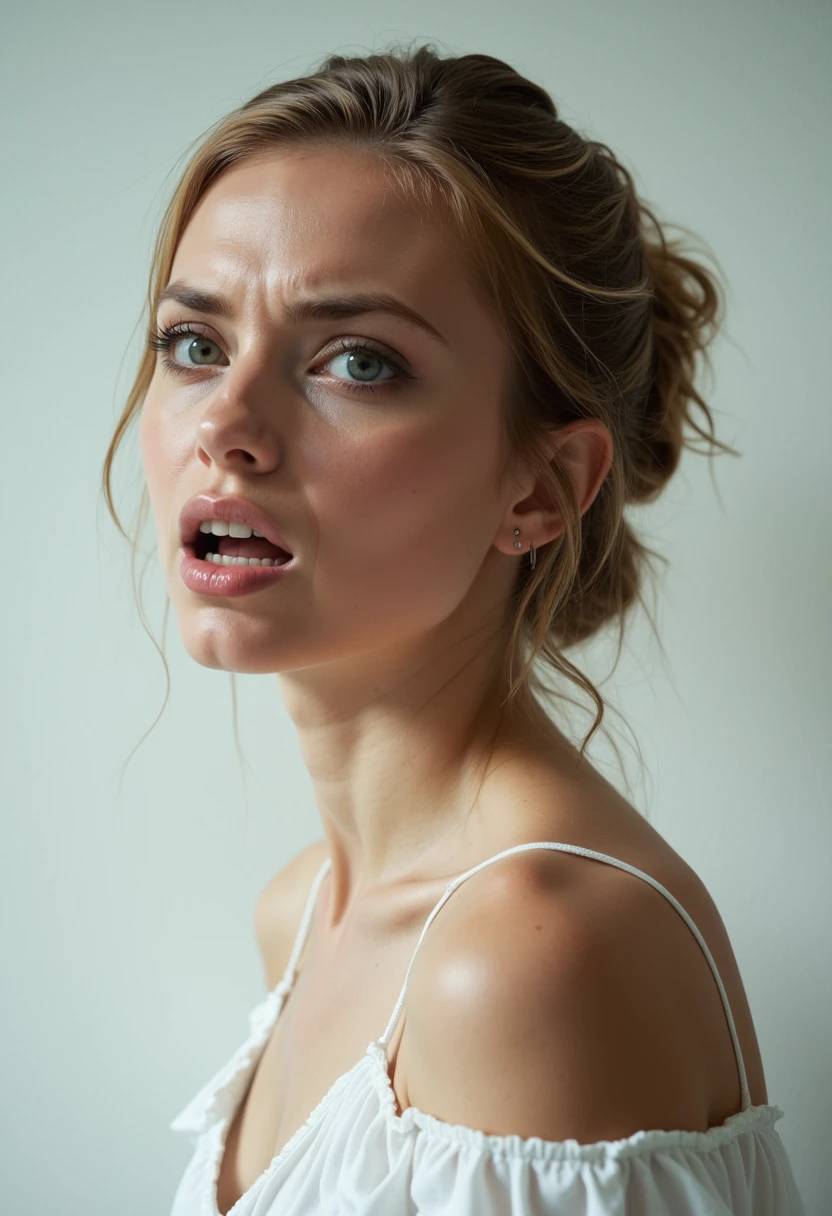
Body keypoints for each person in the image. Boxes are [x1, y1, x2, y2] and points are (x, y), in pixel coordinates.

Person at [102, 41, 806, 1216]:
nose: (225, 422)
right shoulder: (301, 910)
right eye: (195, 343)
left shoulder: (529, 958)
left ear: (539, 487)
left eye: (356, 361)